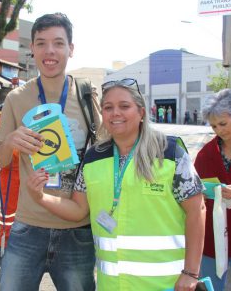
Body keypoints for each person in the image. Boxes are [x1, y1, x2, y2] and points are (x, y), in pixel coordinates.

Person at [27, 78, 206, 290]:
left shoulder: (169, 151)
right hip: (112, 285)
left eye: (124, 106)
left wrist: (191, 272)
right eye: (108, 107)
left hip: (166, 284)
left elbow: (197, 211)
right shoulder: (94, 156)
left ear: (141, 113)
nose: (115, 113)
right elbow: (78, 210)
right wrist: (41, 197)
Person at [0, 13, 101, 290]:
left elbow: (104, 151)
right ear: (32, 48)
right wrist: (10, 142)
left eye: (58, 43)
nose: (49, 51)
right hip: (28, 226)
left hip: (77, 230)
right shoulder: (16, 99)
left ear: (71, 49)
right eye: (41, 43)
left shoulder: (87, 94)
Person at [194, 89, 231, 291]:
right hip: (211, 240)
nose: (219, 130)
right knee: (211, 288)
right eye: (214, 126)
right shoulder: (205, 154)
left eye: (223, 124)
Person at [0, 110, 20, 259]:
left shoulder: (33, 109)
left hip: (30, 168)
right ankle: (4, 243)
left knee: (33, 209)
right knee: (8, 211)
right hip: (9, 170)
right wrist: (5, 112)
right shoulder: (6, 113)